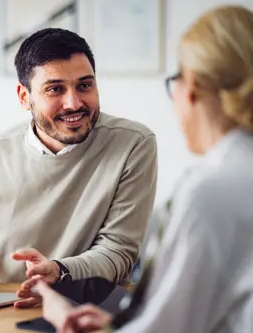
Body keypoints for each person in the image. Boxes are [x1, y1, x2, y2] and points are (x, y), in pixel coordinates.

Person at [34, 5, 253, 332]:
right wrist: (117, 322)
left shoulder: (209, 191)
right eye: (55, 88)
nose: (73, 104)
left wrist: (60, 313)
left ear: (190, 88)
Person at [0, 28, 158, 308]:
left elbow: (118, 252)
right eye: (55, 89)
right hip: (10, 307)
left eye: (85, 85)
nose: (74, 103)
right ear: (23, 97)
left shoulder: (133, 144)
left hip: (96, 309)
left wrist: (60, 271)